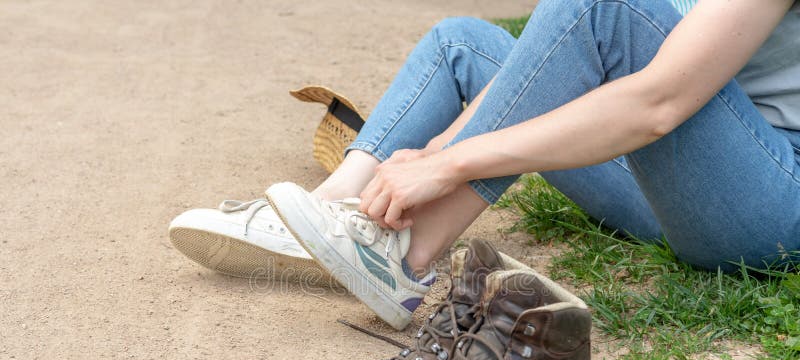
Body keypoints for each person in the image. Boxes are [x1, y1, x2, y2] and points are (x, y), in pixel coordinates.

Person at [171, 0, 800, 330]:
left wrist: (449, 163)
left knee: (602, 6)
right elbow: (559, 72)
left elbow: (656, 103)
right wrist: (443, 146)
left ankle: (403, 258)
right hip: (672, 180)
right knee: (462, 44)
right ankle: (334, 204)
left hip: (765, 200)